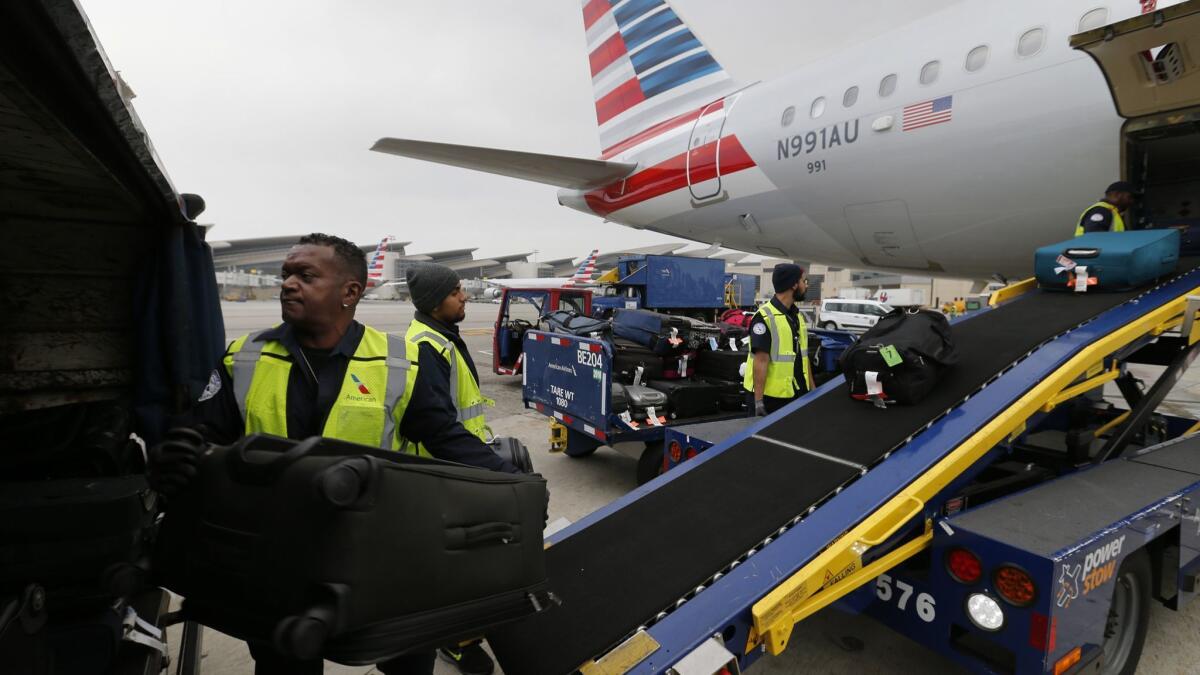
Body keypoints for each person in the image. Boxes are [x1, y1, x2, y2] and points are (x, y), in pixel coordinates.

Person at [151, 233, 518, 675]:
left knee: (407, 662)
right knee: (285, 664)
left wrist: (515, 487)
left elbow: (448, 438)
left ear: (350, 292)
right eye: (286, 274)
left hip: (378, 554)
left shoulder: (398, 362)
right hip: (276, 558)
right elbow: (204, 439)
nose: (287, 283)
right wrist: (177, 460)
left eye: (305, 275)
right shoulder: (243, 358)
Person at [403, 262, 498, 675]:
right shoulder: (426, 347)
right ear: (434, 301)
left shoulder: (441, 337)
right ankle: (454, 643)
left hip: (462, 465)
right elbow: (438, 427)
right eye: (457, 291)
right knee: (451, 569)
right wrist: (495, 469)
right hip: (445, 473)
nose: (465, 296)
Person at [744, 263, 815, 417]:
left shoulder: (797, 316)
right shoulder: (764, 318)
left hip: (795, 393)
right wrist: (758, 402)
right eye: (804, 281)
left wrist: (813, 390)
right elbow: (761, 361)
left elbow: (803, 357)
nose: (806, 286)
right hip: (771, 399)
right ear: (794, 285)